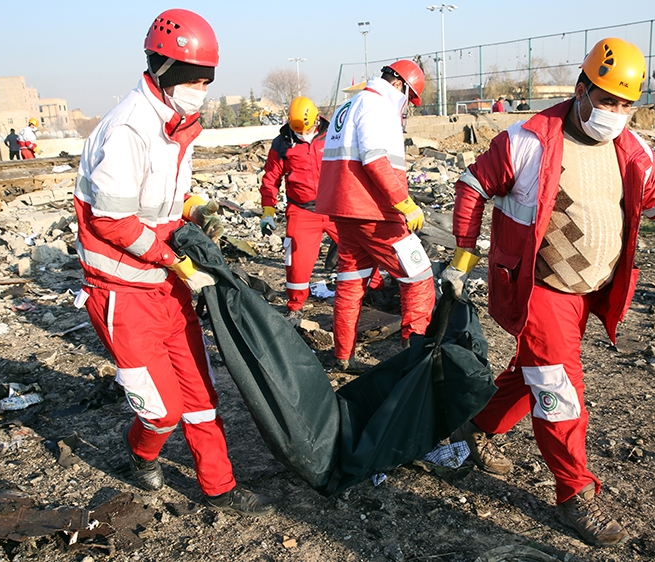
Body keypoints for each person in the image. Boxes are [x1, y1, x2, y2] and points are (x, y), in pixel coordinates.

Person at [441, 38, 655, 547]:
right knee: (560, 389)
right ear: (581, 90)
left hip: (589, 292)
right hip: (540, 289)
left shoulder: (631, 149)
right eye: (607, 100)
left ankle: (475, 425)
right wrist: (462, 259)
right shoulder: (529, 140)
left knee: (534, 372)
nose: (615, 114)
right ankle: (574, 493)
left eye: (626, 105)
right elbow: (473, 186)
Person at [73, 8, 271, 515]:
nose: (199, 87)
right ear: (158, 69)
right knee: (163, 411)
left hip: (165, 286)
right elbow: (111, 222)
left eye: (205, 79)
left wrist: (197, 208)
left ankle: (220, 487)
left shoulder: (176, 126)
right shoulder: (129, 130)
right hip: (122, 292)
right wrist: (171, 259)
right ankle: (140, 452)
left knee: (201, 395)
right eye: (190, 78)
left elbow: (165, 199)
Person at [318, 59, 434, 372]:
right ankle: (416, 360)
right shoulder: (377, 104)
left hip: (345, 211)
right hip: (375, 212)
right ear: (400, 85)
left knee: (351, 282)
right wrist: (404, 202)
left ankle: (343, 355)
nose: (408, 106)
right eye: (410, 98)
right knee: (419, 276)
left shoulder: (349, 104)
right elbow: (374, 159)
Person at [260, 96, 337, 319]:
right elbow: (271, 177)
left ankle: (376, 289)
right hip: (302, 211)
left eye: (309, 128)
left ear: (317, 118)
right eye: (299, 131)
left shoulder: (333, 134)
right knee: (296, 261)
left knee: (361, 249)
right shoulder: (282, 143)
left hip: (335, 207)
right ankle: (295, 306)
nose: (304, 134)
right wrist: (268, 210)